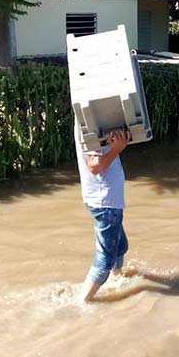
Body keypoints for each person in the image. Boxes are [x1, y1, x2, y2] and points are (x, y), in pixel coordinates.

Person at [75, 125, 133, 302]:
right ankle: (81, 302)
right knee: (105, 260)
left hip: (108, 199)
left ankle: (117, 280)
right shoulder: (89, 116)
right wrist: (116, 149)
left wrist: (119, 143)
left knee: (120, 246)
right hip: (105, 201)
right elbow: (95, 165)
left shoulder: (95, 113)